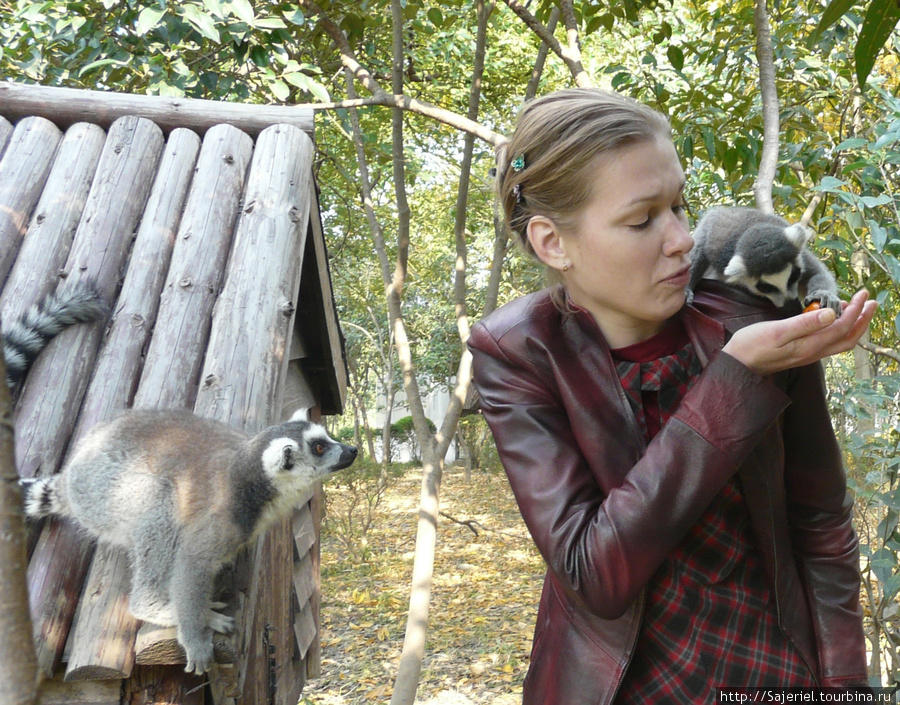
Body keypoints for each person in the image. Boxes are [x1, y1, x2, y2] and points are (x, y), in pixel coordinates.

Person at [467, 88, 877, 705]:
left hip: (770, 670)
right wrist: (733, 380)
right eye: (642, 220)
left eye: (680, 208)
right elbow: (593, 573)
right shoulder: (518, 352)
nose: (683, 239)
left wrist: (846, 687)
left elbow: (818, 521)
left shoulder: (755, 317)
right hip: (624, 685)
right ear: (554, 243)